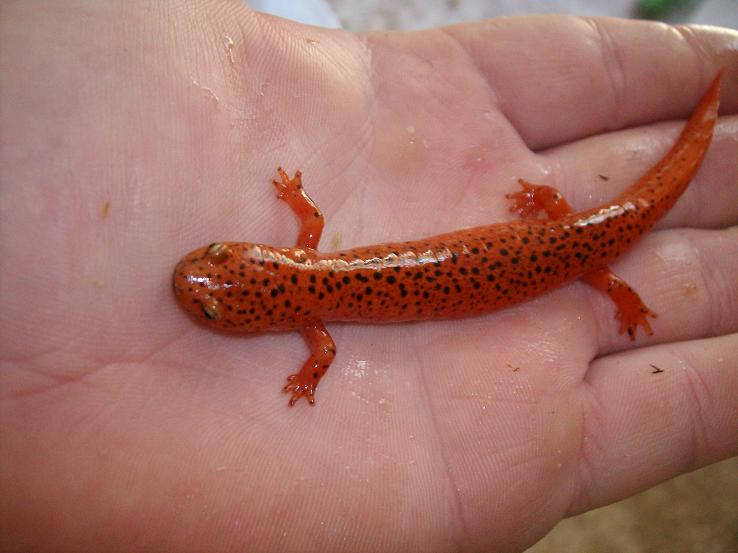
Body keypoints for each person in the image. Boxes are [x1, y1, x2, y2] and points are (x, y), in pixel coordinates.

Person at [1, 2, 736, 551]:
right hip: (564, 239)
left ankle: (703, 113)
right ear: (274, 265)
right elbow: (312, 236)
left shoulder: (311, 315)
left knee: (596, 260)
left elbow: (323, 352)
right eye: (223, 277)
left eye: (222, 259)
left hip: (574, 245)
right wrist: (292, 198)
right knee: (591, 254)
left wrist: (309, 376)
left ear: (271, 279)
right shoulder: (311, 259)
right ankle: (688, 124)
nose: (215, 269)